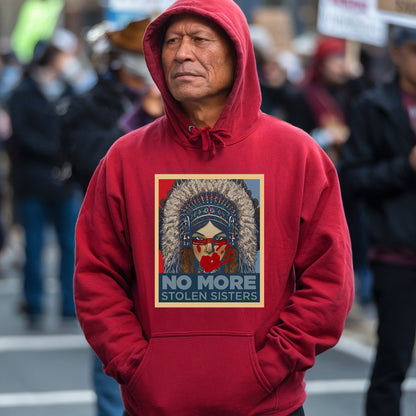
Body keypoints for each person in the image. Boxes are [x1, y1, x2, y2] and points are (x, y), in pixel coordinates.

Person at [74, 1, 354, 415]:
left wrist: (270, 365)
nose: (182, 53)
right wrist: (136, 365)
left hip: (268, 406)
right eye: (171, 41)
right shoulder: (124, 159)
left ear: (237, 52)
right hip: (156, 404)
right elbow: (97, 276)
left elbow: (329, 281)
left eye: (200, 40)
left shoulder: (297, 154)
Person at [62, 18, 163, 416]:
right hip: (116, 231)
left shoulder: (177, 96)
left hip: (167, 235)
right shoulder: (89, 103)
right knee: (114, 337)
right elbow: (89, 160)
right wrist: (139, 123)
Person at [338, 26, 416, 416]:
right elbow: (352, 178)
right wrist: (406, 167)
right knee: (393, 361)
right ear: (397, 53)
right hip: (397, 252)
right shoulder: (374, 105)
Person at [7, 38, 81, 328]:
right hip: (33, 179)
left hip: (64, 182)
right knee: (34, 245)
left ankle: (68, 304)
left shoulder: (70, 89)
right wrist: (55, 152)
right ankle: (34, 305)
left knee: (69, 246)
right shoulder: (23, 92)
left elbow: (80, 126)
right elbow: (21, 136)